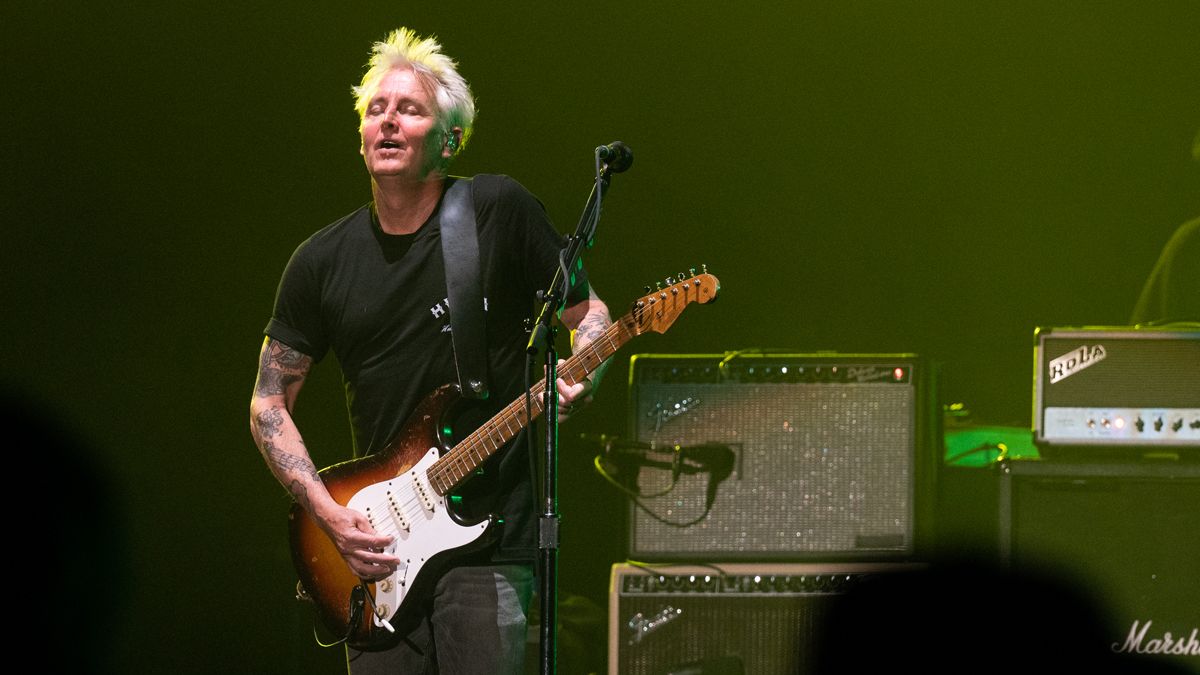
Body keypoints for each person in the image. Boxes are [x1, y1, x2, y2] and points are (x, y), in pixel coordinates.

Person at [249, 27, 612, 674]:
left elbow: (588, 313)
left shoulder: (496, 211)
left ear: (449, 139)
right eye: (375, 109)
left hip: (490, 539)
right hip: (380, 548)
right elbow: (268, 403)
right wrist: (329, 514)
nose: (388, 120)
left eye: (409, 109)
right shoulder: (320, 262)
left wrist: (588, 363)